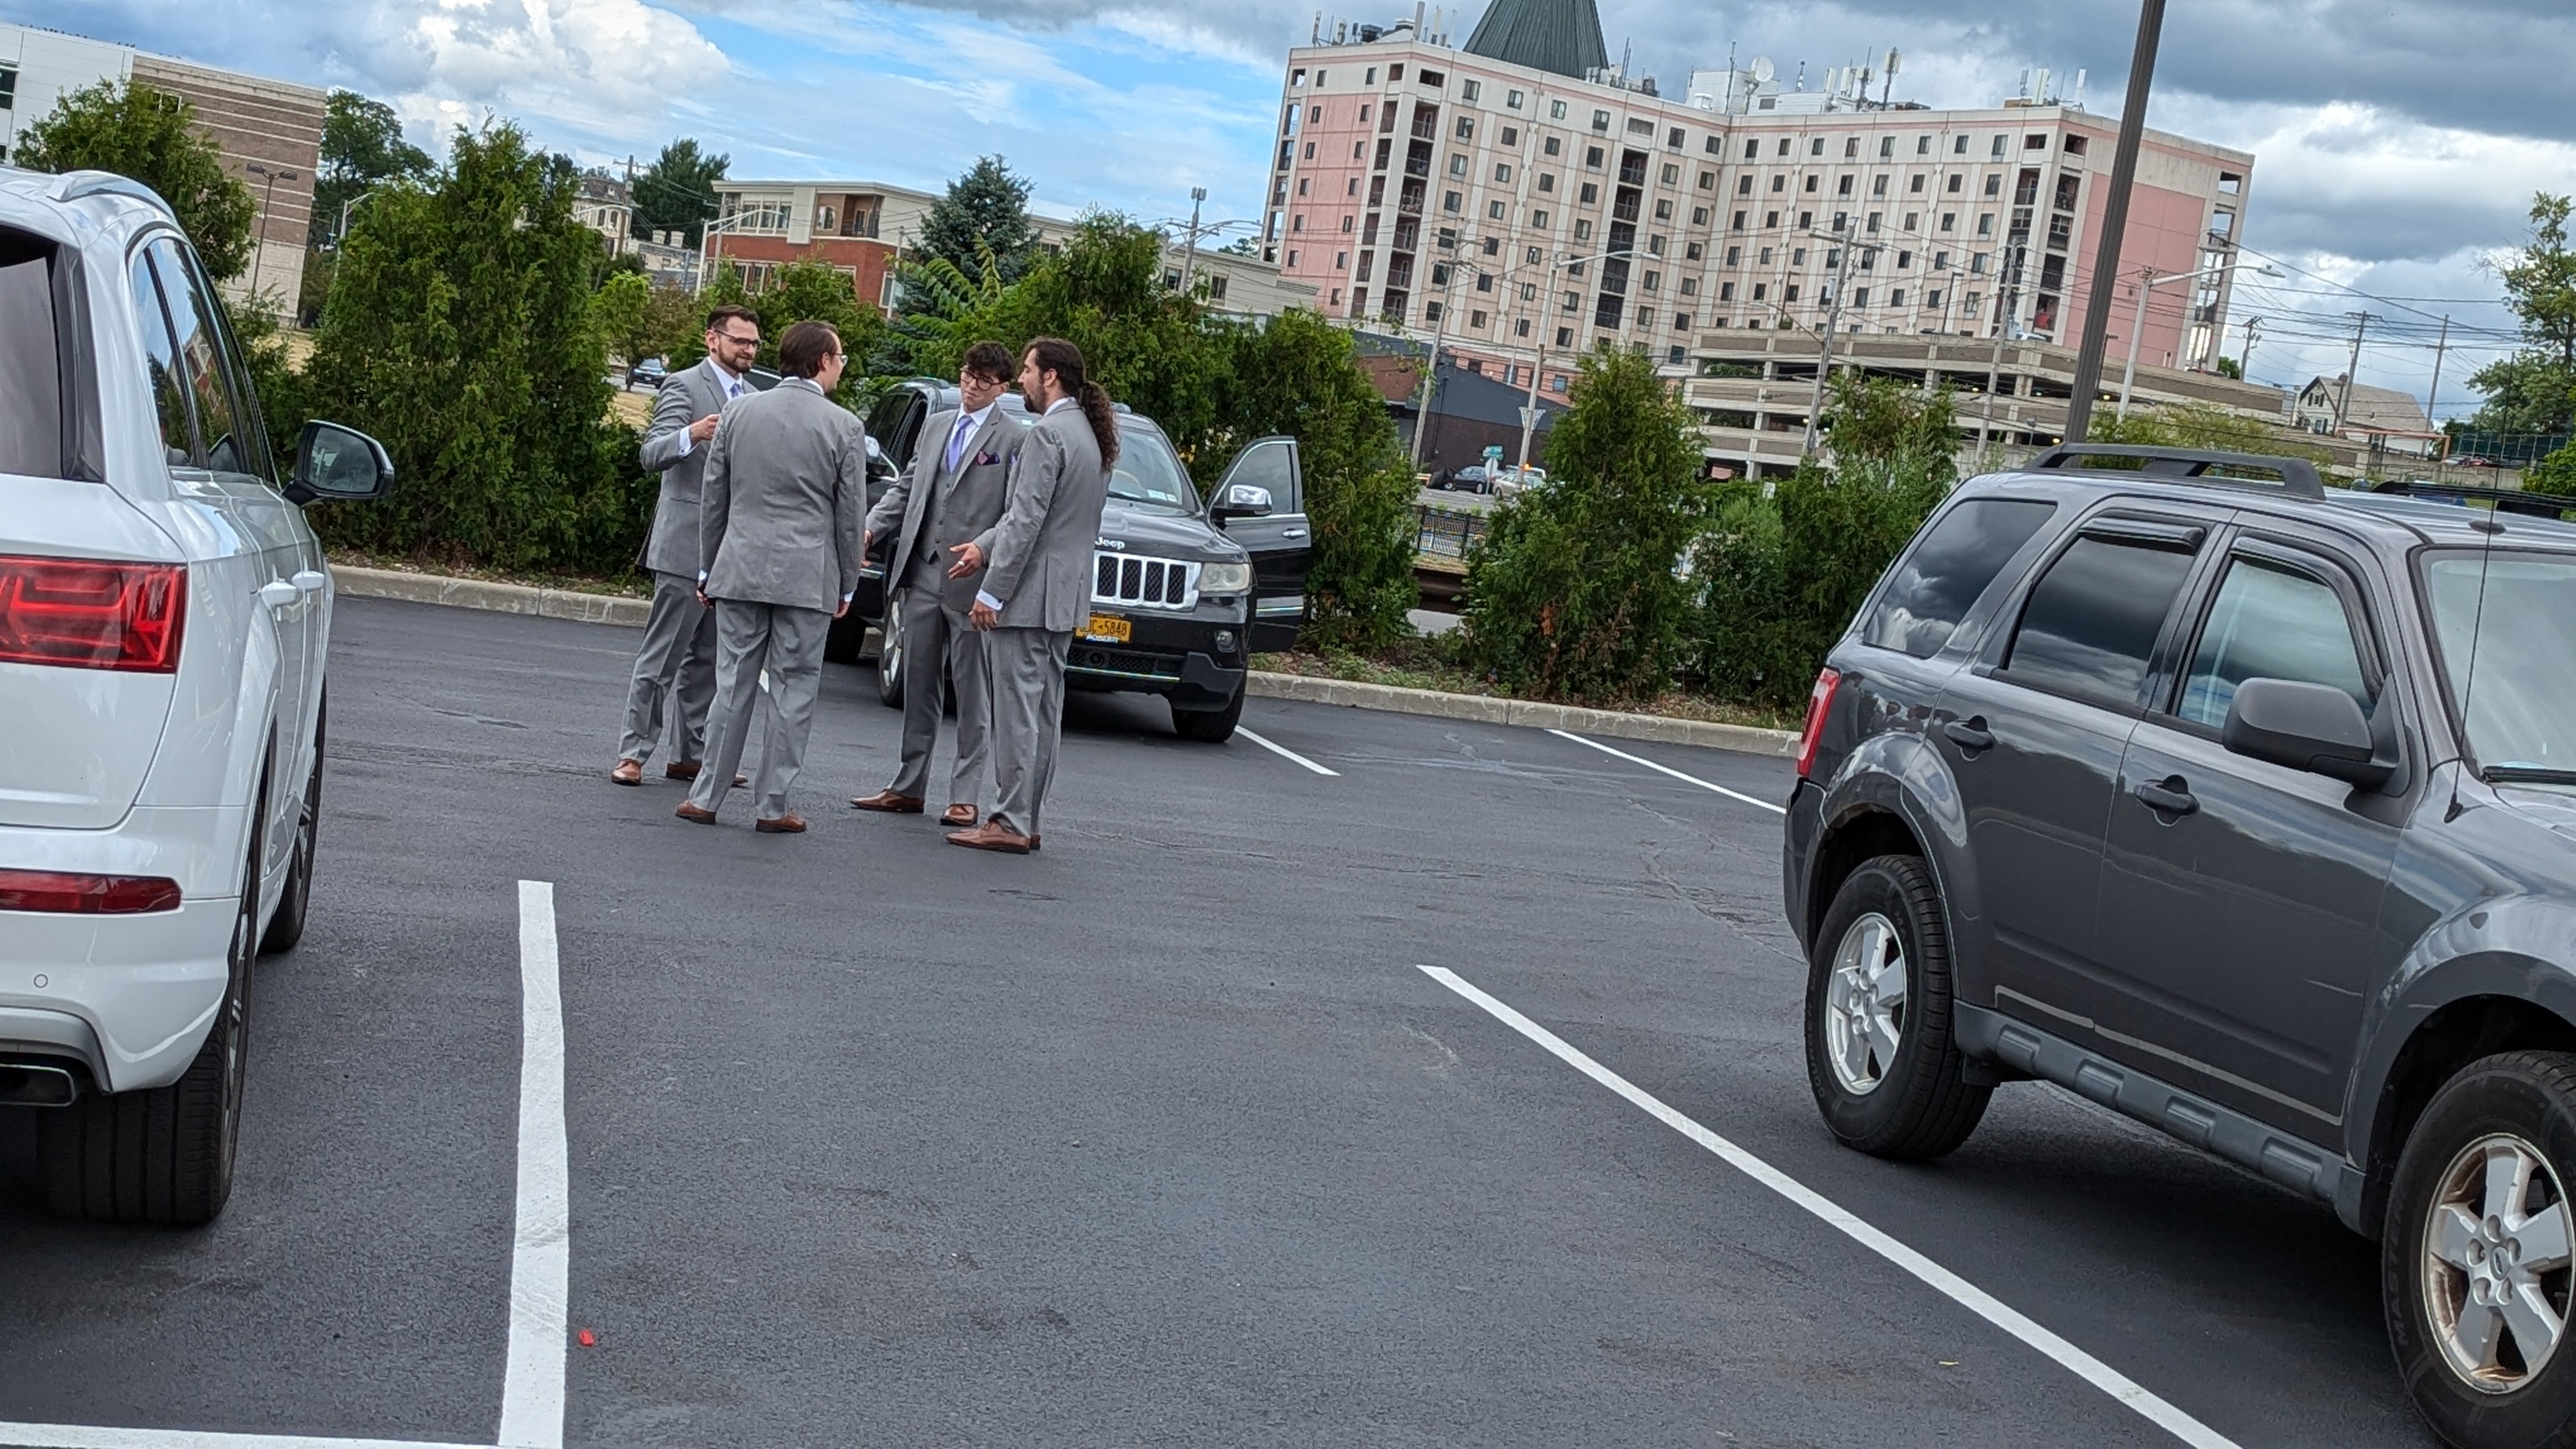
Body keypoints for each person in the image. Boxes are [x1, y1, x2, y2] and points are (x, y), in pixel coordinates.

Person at [675, 321, 866, 834]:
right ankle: (773, 805)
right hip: (808, 576)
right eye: (840, 357)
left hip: (739, 567)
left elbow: (716, 496)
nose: (841, 367)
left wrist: (707, 566)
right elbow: (850, 517)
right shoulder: (844, 426)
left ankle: (705, 795)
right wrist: (848, 581)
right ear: (822, 360)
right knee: (794, 688)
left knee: (731, 682)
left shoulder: (739, 412)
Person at [950, 337, 1114, 855]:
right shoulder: (1089, 435)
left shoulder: (1047, 435)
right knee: (1043, 712)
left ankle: (1009, 821)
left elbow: (1027, 520)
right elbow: (1057, 517)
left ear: (1050, 377)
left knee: (1017, 712)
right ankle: (1026, 816)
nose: (1020, 379)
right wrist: (981, 546)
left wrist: (992, 594)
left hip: (1028, 597)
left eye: (1026, 370)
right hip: (1062, 597)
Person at [851, 342, 1025, 828]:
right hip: (922, 573)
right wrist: (871, 526)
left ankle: (965, 794)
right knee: (919, 683)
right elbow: (908, 487)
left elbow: (1016, 513)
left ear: (1002, 389)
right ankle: (908, 785)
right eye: (968, 375)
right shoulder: (936, 426)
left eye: (984, 381)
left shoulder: (1013, 439)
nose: (972, 385)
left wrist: (985, 549)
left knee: (972, 692)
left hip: (972, 583)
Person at [611, 304, 762, 788]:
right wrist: (693, 433)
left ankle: (691, 756)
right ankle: (634, 753)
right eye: (739, 340)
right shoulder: (684, 385)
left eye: (754, 343)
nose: (748, 350)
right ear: (711, 340)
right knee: (663, 654)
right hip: (683, 545)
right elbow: (651, 453)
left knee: (711, 660)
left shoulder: (756, 398)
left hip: (729, 550)